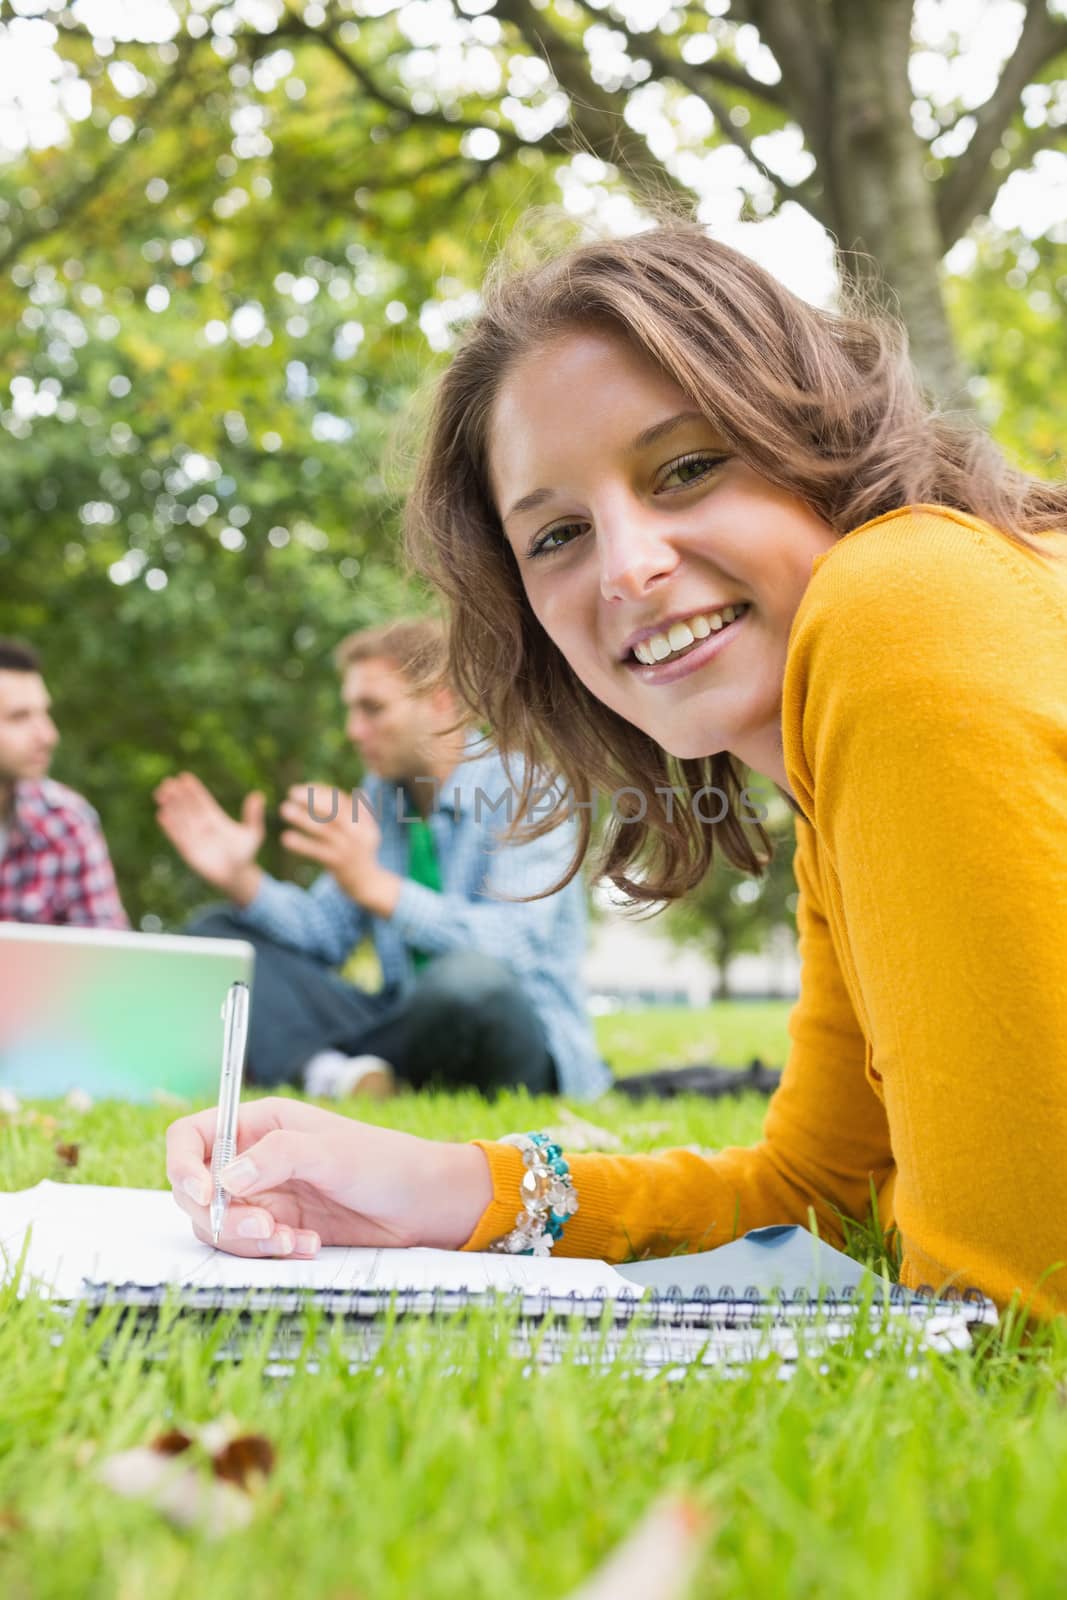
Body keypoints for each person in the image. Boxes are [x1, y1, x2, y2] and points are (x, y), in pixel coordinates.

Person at [166, 222, 1067, 1316]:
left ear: (814, 430)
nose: (628, 569)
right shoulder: (837, 770)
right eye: (555, 537)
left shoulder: (905, 604)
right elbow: (823, 1195)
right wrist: (441, 1187)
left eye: (687, 467)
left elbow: (1021, 1299)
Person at [156, 617, 608, 1100]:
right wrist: (242, 879)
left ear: (442, 702)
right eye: (351, 711)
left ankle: (320, 1062)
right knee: (222, 938)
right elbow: (323, 936)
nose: (354, 731)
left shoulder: (529, 791)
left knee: (468, 981)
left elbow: (513, 947)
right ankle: (333, 1072)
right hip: (407, 1024)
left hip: (513, 1034)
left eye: (372, 709)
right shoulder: (380, 797)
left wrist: (376, 886)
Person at [0, 638, 128, 928]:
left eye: (44, 713)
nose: (48, 736)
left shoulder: (66, 822)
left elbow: (107, 956)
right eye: (19, 718)